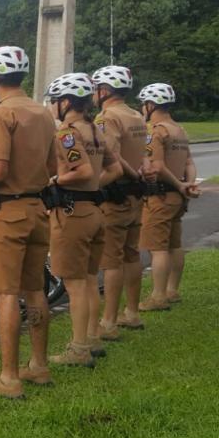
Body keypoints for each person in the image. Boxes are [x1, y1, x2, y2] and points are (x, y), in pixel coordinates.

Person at [0, 46, 57, 399]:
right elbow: (54, 169)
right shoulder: (44, 113)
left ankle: (8, 378)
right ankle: (39, 366)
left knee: (5, 293)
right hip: (37, 211)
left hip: (6, 214)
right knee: (35, 290)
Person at [45, 73, 123, 368]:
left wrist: (56, 179)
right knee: (90, 280)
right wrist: (93, 188)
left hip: (74, 214)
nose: (53, 106)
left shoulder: (67, 133)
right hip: (94, 212)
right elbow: (114, 169)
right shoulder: (94, 129)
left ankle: (79, 348)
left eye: (55, 101)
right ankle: (91, 338)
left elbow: (80, 170)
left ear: (66, 102)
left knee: (75, 284)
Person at [91, 66, 149, 336]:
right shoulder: (136, 114)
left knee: (111, 260)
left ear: (104, 91)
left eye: (95, 88)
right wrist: (139, 174)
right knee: (131, 253)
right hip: (137, 194)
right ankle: (132, 313)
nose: (92, 94)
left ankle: (109, 321)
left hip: (116, 194)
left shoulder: (107, 117)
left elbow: (112, 154)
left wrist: (129, 172)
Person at [138, 83, 200, 310]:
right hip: (177, 198)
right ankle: (172, 290)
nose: (142, 108)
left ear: (151, 105)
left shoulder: (157, 131)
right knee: (175, 244)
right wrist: (188, 184)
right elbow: (189, 163)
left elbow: (158, 166)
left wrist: (179, 184)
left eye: (143, 104)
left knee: (158, 248)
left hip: (161, 196)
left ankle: (158, 296)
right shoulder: (179, 129)